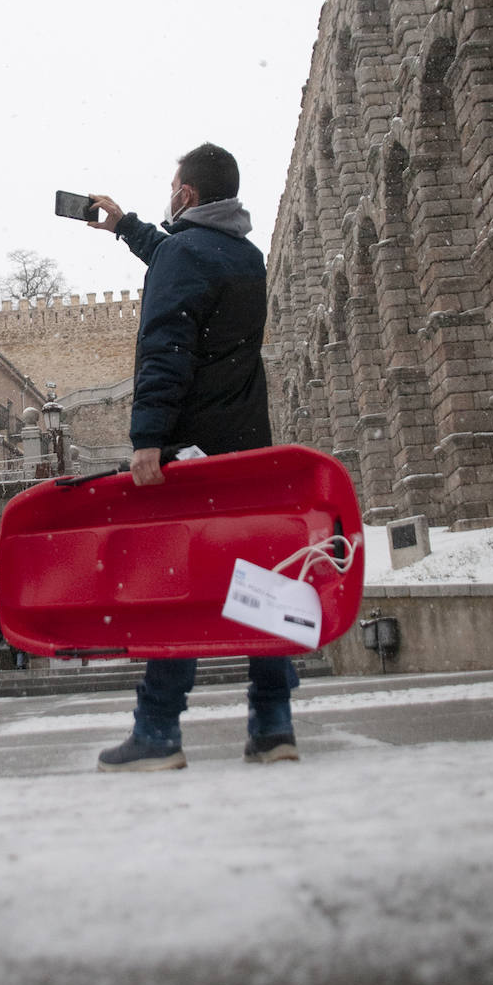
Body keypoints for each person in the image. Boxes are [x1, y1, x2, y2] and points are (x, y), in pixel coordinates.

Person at [89, 143, 300, 771]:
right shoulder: (244, 256)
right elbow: (183, 263)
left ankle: (157, 732)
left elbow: (167, 346)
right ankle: (273, 724)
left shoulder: (186, 254)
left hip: (189, 450)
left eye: (173, 184)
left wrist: (147, 439)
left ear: (185, 194)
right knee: (257, 583)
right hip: (244, 447)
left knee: (175, 582)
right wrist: (126, 226)